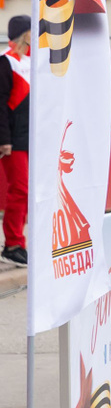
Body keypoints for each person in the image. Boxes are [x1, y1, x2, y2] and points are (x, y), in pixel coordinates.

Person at [0, 15, 29, 264]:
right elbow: (0, 105)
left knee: (29, 192)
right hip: (13, 140)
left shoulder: (33, 62)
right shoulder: (6, 61)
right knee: (19, 189)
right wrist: (4, 139)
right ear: (23, 33)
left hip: (32, 139)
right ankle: (12, 245)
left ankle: (21, 241)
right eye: (32, 30)